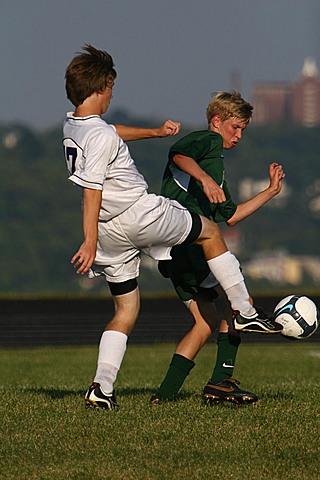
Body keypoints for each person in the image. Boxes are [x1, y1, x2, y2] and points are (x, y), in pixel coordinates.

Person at [63, 45, 282, 410]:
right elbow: (92, 190)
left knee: (126, 310)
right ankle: (245, 312)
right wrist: (86, 241)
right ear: (103, 87)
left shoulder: (74, 126)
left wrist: (152, 131)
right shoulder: (106, 136)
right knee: (210, 231)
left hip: (109, 232)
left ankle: (102, 388)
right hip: (139, 214)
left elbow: (109, 133)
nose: (112, 96)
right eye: (112, 89)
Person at [151, 91, 285, 405]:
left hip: (173, 250)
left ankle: (164, 396)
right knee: (241, 302)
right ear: (217, 121)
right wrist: (204, 179)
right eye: (235, 128)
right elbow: (178, 154)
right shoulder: (207, 143)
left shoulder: (215, 170)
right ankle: (221, 382)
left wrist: (270, 192)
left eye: (243, 131)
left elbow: (231, 216)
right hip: (188, 239)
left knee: (205, 322)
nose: (238, 136)